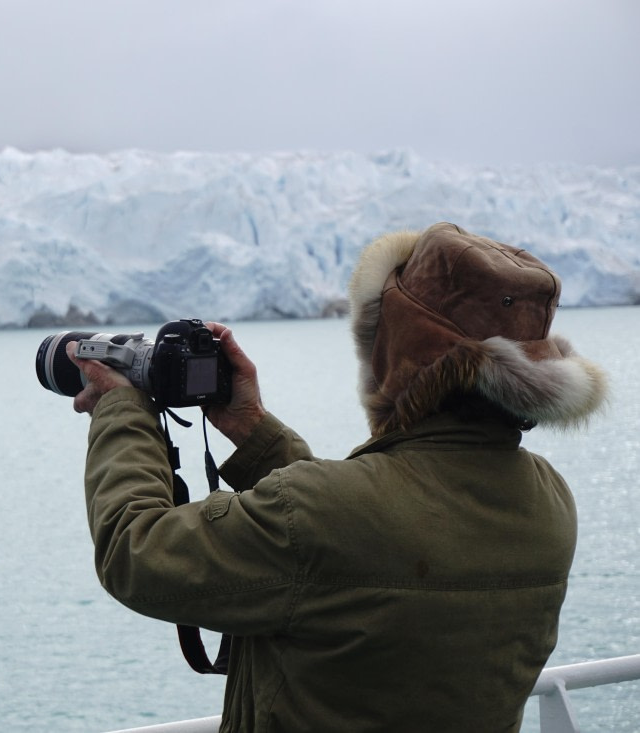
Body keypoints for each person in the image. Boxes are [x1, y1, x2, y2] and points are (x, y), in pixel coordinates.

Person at [65, 222, 607, 732]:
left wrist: (122, 409)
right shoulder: (548, 501)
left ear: (395, 354)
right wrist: (251, 427)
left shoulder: (327, 514)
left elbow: (135, 551)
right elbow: (360, 539)